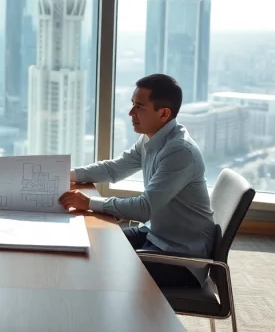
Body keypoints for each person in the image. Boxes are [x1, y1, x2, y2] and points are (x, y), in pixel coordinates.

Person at [58, 74, 215, 288]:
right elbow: (114, 168)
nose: (131, 113)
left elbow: (143, 208)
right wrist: (67, 175)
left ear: (164, 113)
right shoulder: (151, 137)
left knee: (102, 266)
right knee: (90, 244)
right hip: (154, 235)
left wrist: (88, 203)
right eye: (133, 104)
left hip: (180, 257)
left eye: (139, 106)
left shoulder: (179, 151)